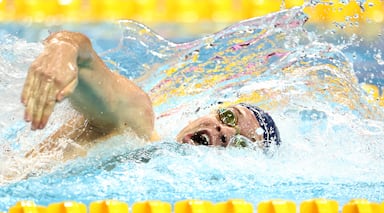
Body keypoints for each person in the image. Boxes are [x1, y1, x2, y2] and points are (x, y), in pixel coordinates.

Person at [21, 31, 280, 160]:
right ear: (206, 110)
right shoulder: (137, 128)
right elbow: (85, 55)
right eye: (227, 116)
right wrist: (64, 49)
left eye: (241, 144)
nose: (224, 131)